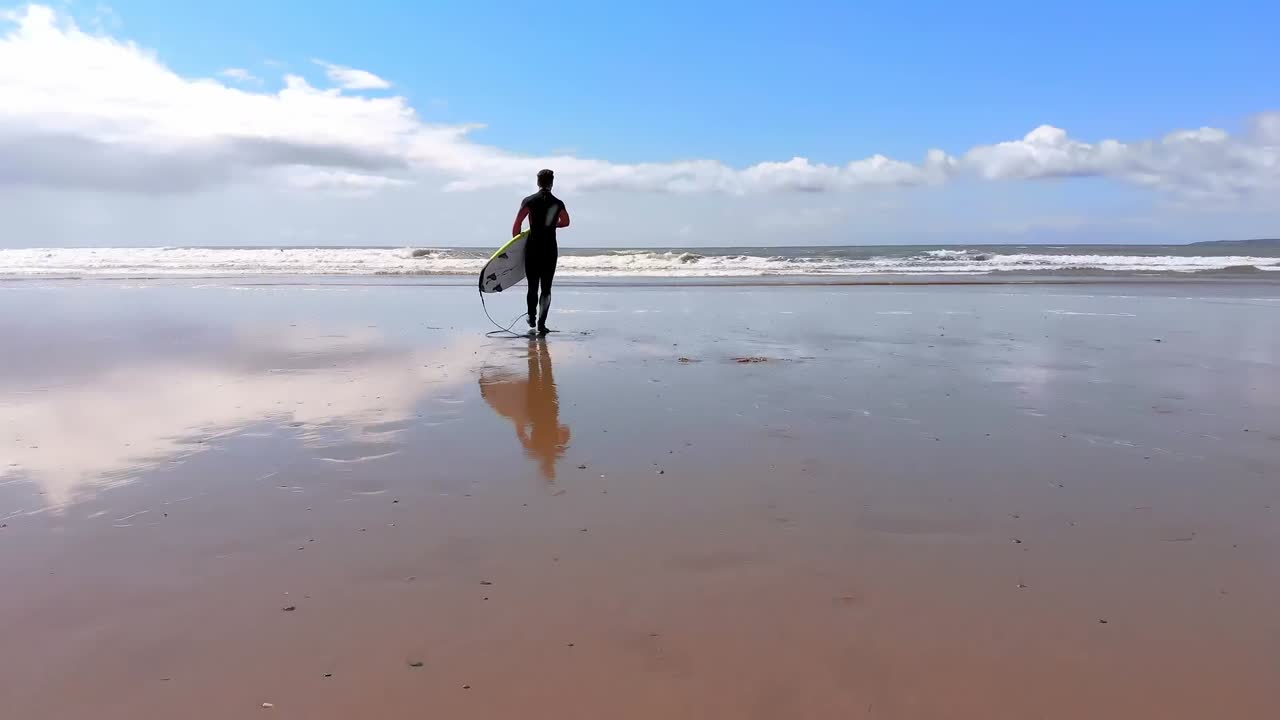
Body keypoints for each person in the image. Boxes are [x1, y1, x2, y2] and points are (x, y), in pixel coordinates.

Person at [511, 169, 570, 336]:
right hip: (550, 249)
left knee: (532, 286)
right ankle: (541, 325)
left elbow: (517, 225)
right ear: (552, 183)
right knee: (546, 289)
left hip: (533, 247)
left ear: (538, 182)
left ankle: (531, 315)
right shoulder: (558, 203)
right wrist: (553, 225)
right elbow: (566, 222)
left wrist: (517, 246)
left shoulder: (529, 201)